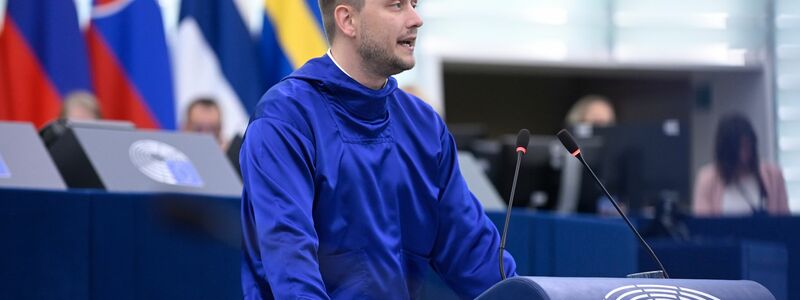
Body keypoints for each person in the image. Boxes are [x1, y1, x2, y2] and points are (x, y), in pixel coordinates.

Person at [239, 0, 516, 299]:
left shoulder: (424, 128)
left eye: (414, 3)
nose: (416, 18)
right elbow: (291, 267)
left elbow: (476, 258)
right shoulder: (287, 119)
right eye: (396, 5)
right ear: (348, 20)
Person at [693, 113, 789, 216]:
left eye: (748, 145)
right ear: (726, 150)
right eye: (738, 148)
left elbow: (785, 222)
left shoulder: (773, 176)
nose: (744, 154)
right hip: (724, 232)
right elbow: (704, 225)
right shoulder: (708, 179)